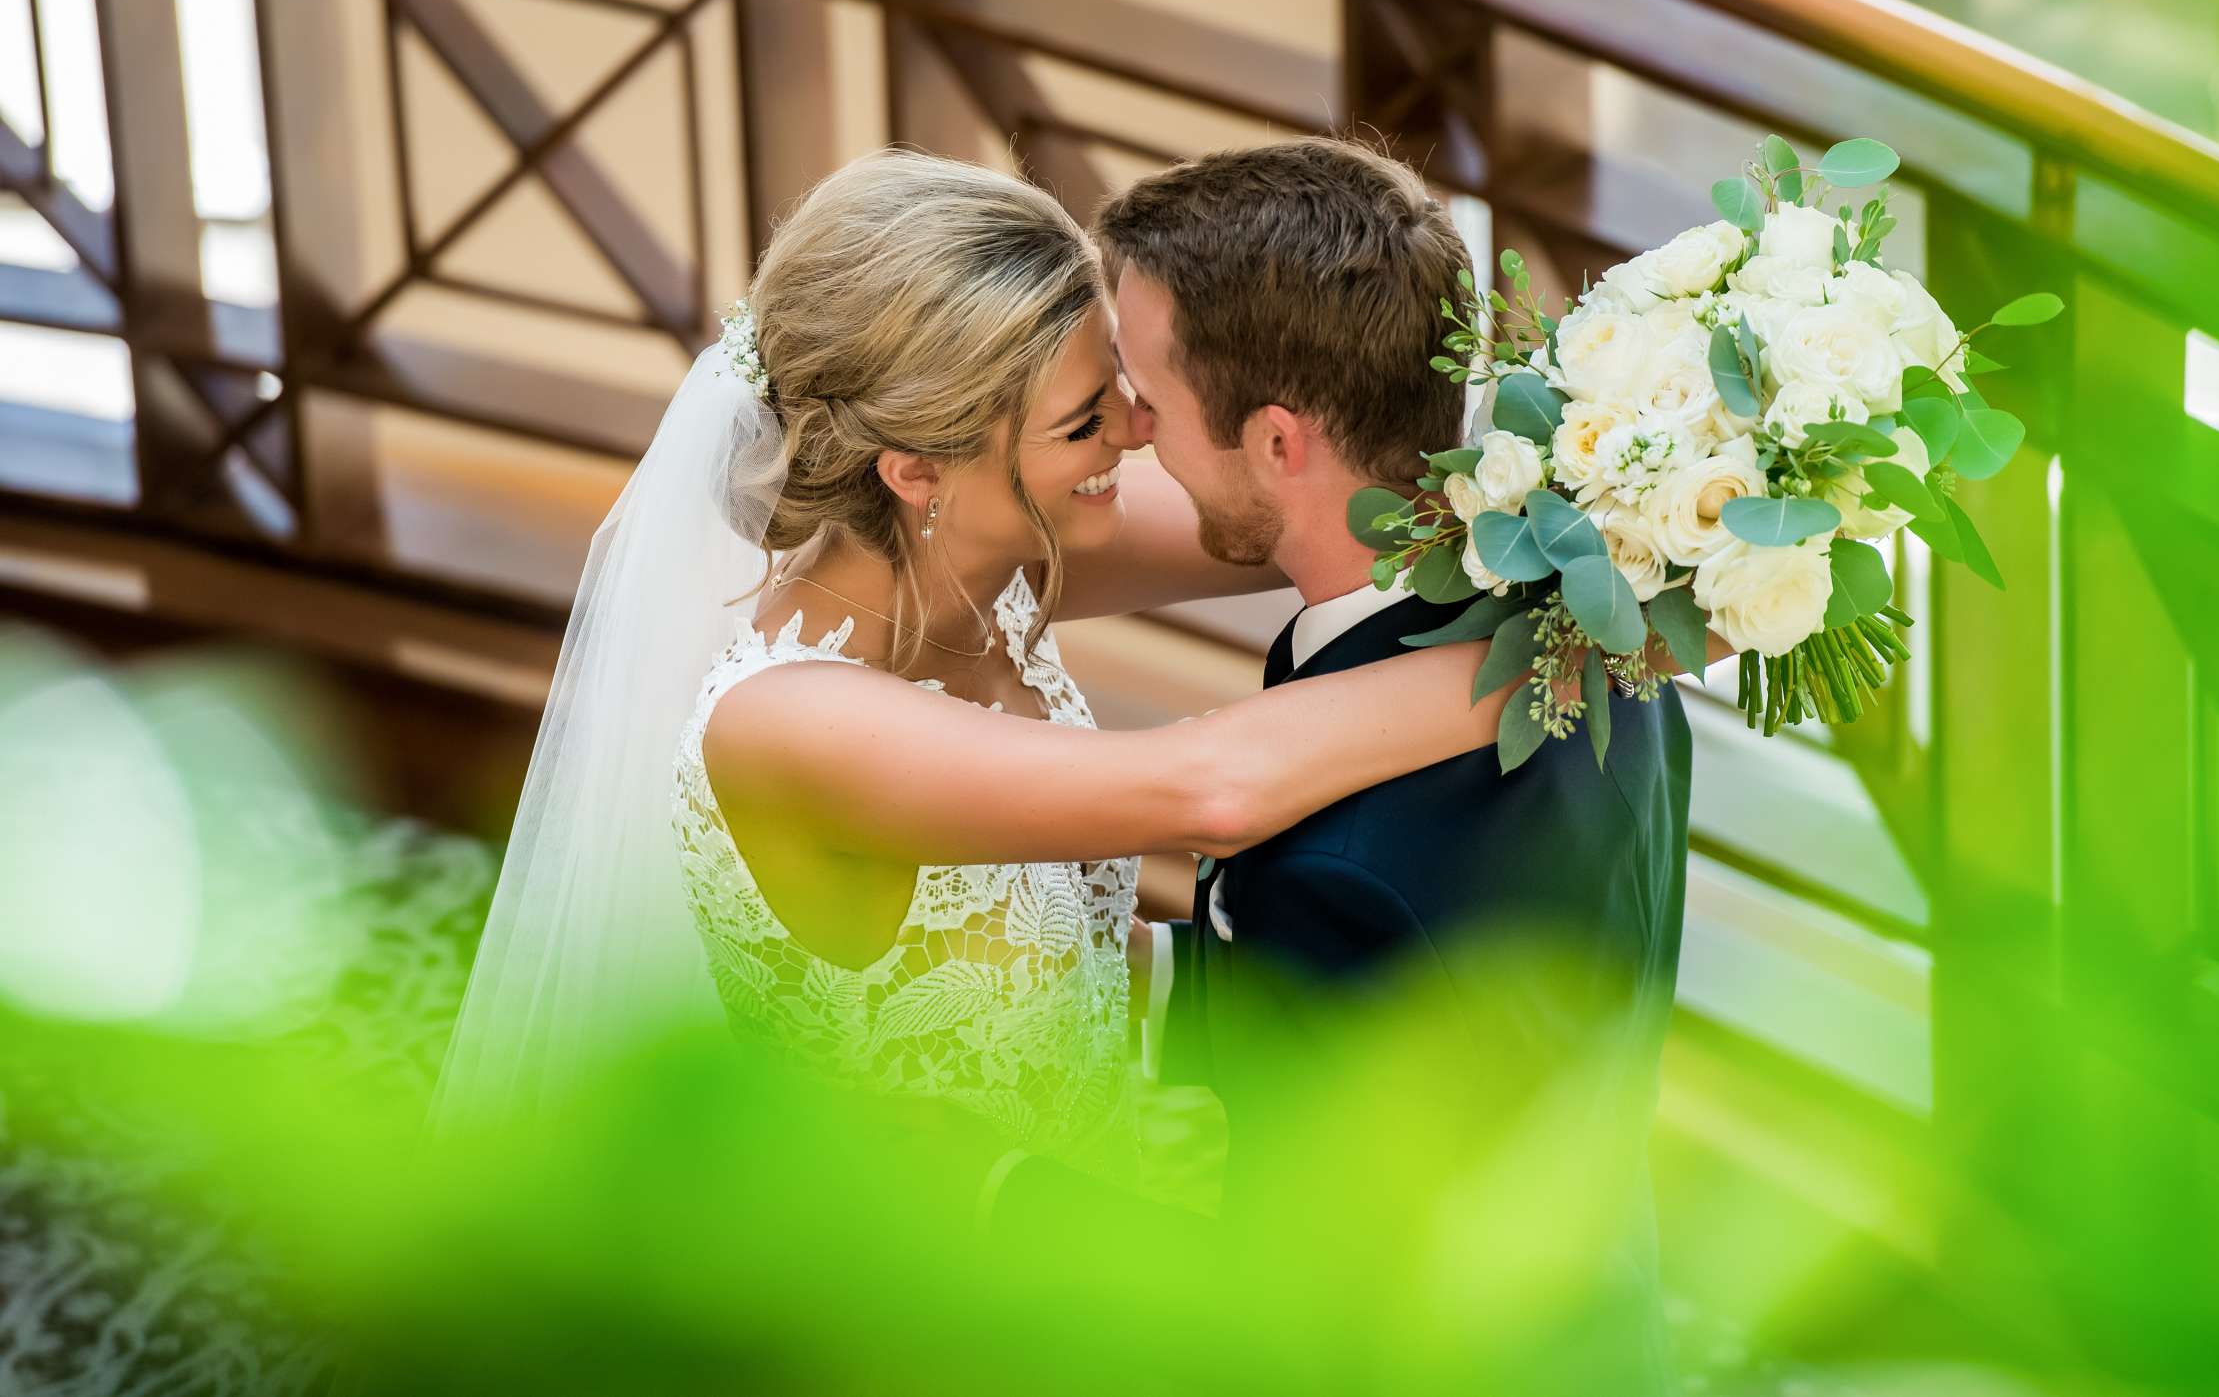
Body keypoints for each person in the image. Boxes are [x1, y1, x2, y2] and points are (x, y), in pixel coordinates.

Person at [432, 150, 1507, 1184]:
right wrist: (1562, 656)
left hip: (1069, 1194)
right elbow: (1208, 791)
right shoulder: (790, 724)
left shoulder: (1001, 553)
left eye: (1121, 385)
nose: (1137, 431)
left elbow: (1322, 509)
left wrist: (1630, 495)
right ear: (917, 470)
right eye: (1086, 421)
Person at [995, 139, 1692, 1388]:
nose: (1129, 432)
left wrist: (995, 1198)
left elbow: (1288, 1303)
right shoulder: (1601, 640)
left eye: (1145, 395)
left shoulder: (1330, 871)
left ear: (1277, 444)